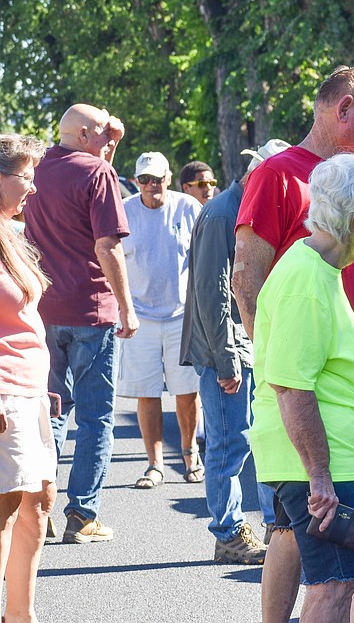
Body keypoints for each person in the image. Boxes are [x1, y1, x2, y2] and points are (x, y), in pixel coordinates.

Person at [232, 66, 354, 623]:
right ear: (344, 108)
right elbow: (248, 282)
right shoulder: (280, 179)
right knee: (320, 567)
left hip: (350, 411)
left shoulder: (345, 208)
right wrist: (274, 378)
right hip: (316, 424)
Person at [251, 153, 354, 623]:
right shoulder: (304, 277)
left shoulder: (325, 268)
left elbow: (329, 369)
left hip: (353, 453)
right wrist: (319, 475)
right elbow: (292, 389)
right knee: (333, 586)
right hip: (322, 462)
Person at [23, 104, 138, 544]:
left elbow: (84, 180)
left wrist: (109, 146)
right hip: (92, 310)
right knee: (96, 416)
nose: (110, 137)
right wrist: (127, 307)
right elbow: (107, 244)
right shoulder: (98, 174)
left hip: (45, 309)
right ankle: (82, 515)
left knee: (53, 410)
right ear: (87, 133)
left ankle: (41, 508)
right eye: (105, 131)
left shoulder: (38, 169)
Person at [180, 139, 290, 565]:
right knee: (228, 445)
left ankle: (267, 524)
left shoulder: (243, 208)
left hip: (248, 347)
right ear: (255, 174)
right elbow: (213, 294)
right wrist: (227, 360)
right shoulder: (224, 212)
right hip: (224, 352)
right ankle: (227, 533)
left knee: (256, 441)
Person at [119, 152, 204, 489]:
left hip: (183, 316)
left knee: (187, 392)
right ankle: (154, 465)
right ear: (137, 180)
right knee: (147, 393)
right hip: (140, 316)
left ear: (169, 178)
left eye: (157, 179)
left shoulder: (187, 207)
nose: (152, 186)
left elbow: (203, 256)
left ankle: (190, 454)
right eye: (144, 180)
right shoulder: (125, 211)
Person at [0, 134, 57, 623]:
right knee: (2, 510)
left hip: (28, 389)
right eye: (26, 177)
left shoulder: (10, 234)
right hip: (3, 394)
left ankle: (21, 616)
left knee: (39, 503)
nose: (33, 189)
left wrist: (41, 383)